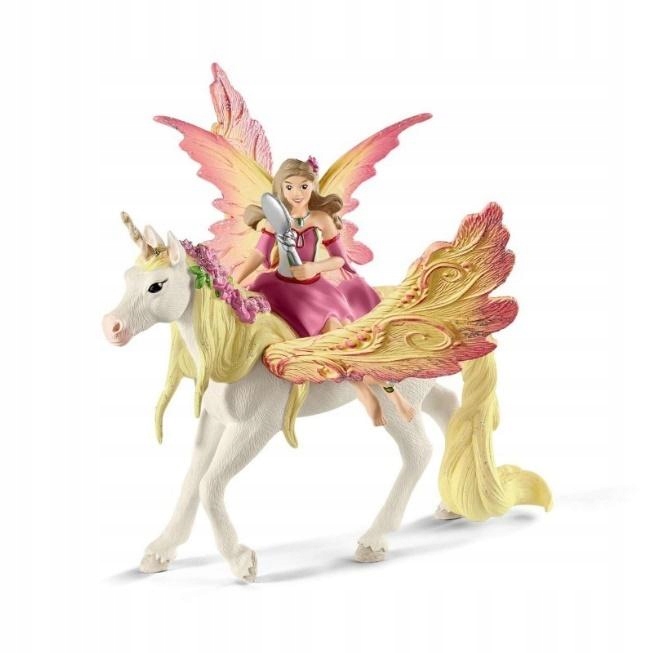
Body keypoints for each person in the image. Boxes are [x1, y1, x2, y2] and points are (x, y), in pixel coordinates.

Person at [233, 158, 415, 426]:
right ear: (280, 188)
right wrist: (233, 281)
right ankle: (363, 391)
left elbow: (340, 260)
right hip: (278, 289)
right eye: (289, 187)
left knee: (344, 338)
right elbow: (259, 255)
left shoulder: (321, 220)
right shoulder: (274, 222)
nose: (297, 193)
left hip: (314, 291)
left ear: (313, 187)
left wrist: (314, 267)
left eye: (303, 186)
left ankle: (392, 392)